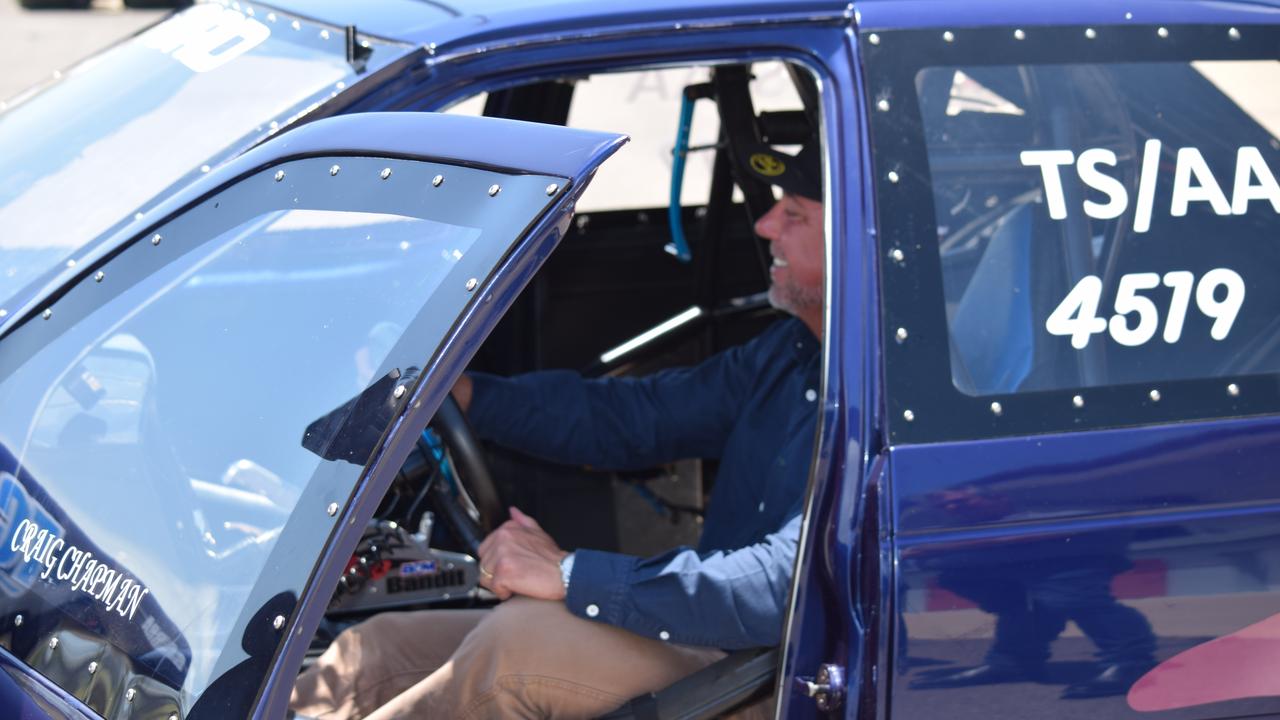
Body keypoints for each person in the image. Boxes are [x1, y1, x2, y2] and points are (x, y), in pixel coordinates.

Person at [291, 142, 825, 720]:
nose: (767, 223)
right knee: (377, 648)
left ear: (852, 240)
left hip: (775, 676)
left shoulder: (881, 403)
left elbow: (783, 587)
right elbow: (631, 418)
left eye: (795, 213)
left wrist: (571, 573)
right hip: (708, 633)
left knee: (519, 647)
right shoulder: (791, 352)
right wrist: (469, 396)